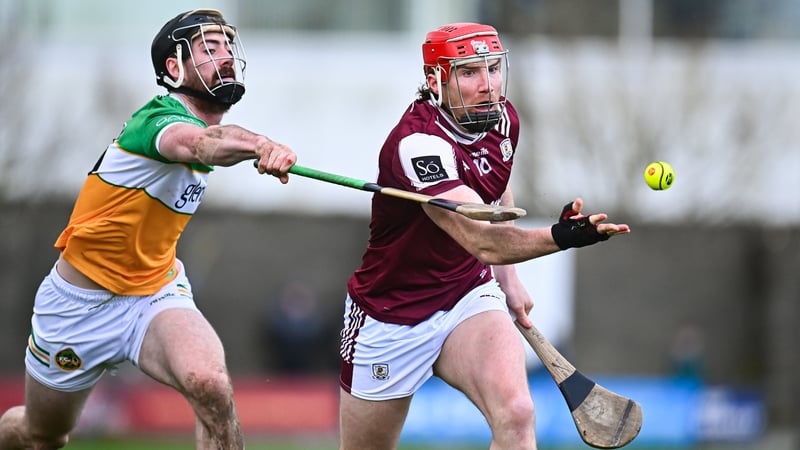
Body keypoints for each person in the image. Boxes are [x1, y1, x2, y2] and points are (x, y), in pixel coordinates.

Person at [0, 9, 296, 450]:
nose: (227, 57)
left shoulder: (201, 125)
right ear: (174, 69)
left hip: (154, 294)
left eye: (228, 47)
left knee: (210, 385)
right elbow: (202, 144)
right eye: (210, 49)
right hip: (77, 307)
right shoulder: (157, 120)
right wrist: (260, 145)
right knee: (43, 435)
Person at [338, 22, 631, 450]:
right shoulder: (418, 145)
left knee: (517, 413)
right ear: (436, 80)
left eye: (493, 68)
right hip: (392, 313)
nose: (488, 85)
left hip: (466, 294)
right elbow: (482, 240)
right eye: (470, 72)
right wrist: (561, 236)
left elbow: (493, 191)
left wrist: (507, 278)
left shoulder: (503, 120)